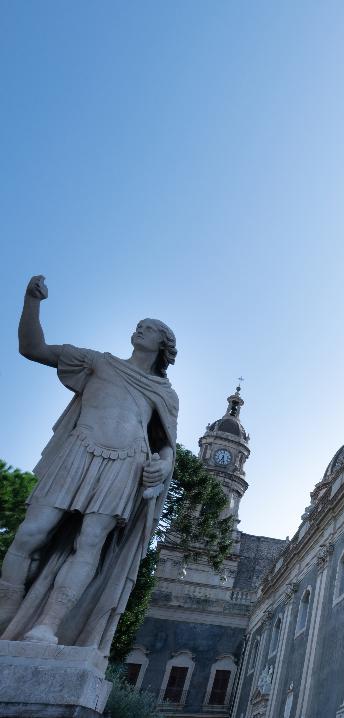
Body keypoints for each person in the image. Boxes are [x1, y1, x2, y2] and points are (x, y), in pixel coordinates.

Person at [0, 275, 179, 650]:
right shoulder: (98, 362)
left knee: (91, 542)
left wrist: (164, 465)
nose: (140, 329)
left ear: (163, 344)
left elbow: (165, 444)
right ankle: (8, 606)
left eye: (149, 328)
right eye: (139, 325)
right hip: (78, 450)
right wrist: (32, 302)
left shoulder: (164, 393)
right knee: (31, 532)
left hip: (125, 464)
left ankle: (48, 624)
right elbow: (32, 348)